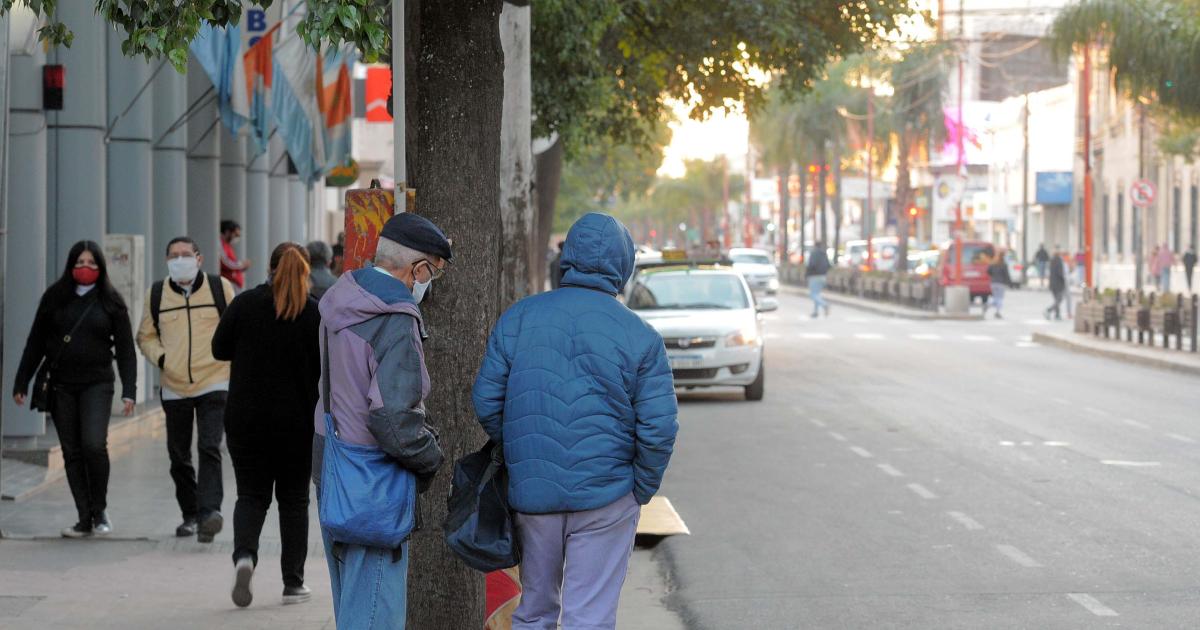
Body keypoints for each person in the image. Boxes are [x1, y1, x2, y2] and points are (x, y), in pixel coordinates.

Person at [474, 213, 678, 630]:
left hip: (534, 492)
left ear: (567, 258)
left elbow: (486, 399)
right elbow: (659, 428)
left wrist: (521, 451)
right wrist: (641, 487)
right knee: (590, 616)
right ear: (623, 266)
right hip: (608, 495)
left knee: (534, 610)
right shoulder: (640, 336)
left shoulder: (519, 318)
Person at [314, 213, 448, 628]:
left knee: (352, 608)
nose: (429, 283)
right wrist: (431, 457)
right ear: (418, 268)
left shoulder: (342, 296)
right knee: (374, 613)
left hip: (333, 467)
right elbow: (393, 419)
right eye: (434, 273)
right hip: (373, 483)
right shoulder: (394, 316)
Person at [213, 242, 321, 608]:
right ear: (305, 272)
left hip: (246, 420)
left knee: (251, 496)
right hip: (297, 424)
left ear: (270, 268)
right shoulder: (314, 314)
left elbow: (218, 348)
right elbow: (326, 370)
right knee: (293, 502)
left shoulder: (244, 304)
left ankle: (245, 557)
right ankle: (293, 583)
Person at [13, 241, 137, 538]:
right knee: (71, 451)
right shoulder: (54, 298)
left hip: (98, 383)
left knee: (94, 445)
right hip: (61, 385)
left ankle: (100, 508)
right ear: (70, 264)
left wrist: (129, 390)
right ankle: (84, 517)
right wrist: (22, 382)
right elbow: (35, 343)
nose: (86, 267)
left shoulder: (111, 301)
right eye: (80, 261)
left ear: (101, 267)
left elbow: (125, 349)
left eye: (92, 262)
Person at [137, 237, 236, 542]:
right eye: (173, 255)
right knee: (178, 455)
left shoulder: (220, 289)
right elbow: (145, 336)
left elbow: (235, 328)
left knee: (209, 447)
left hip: (214, 380)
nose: (180, 259)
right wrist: (163, 358)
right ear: (166, 260)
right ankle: (190, 514)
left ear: (199, 258)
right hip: (175, 385)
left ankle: (209, 513)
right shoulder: (156, 293)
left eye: (185, 254)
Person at [220, 220, 252, 291]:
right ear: (228, 232)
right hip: (228, 283)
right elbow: (225, 262)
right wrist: (241, 265)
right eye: (236, 235)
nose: (237, 238)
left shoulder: (227, 245)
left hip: (233, 284)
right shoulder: (220, 243)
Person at [806, 241, 831, 318]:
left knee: (813, 294)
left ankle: (825, 305)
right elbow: (829, 265)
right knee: (817, 294)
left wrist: (808, 273)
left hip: (814, 276)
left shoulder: (813, 254)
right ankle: (815, 312)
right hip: (823, 276)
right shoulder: (824, 254)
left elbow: (811, 265)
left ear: (815, 246)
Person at [985, 249, 1012, 319]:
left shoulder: (993, 263)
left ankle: (988, 305)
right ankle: (997, 312)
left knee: (995, 297)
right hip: (1001, 283)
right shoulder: (1003, 264)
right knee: (1000, 298)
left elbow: (988, 271)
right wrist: (1009, 283)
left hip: (993, 283)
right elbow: (1006, 275)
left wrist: (993, 276)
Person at [1045, 248, 1067, 320]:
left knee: (1056, 300)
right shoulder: (1059, 261)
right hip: (1058, 284)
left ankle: (1057, 315)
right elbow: (1060, 273)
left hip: (1052, 284)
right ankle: (1049, 310)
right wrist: (1064, 280)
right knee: (1059, 300)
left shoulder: (1051, 260)